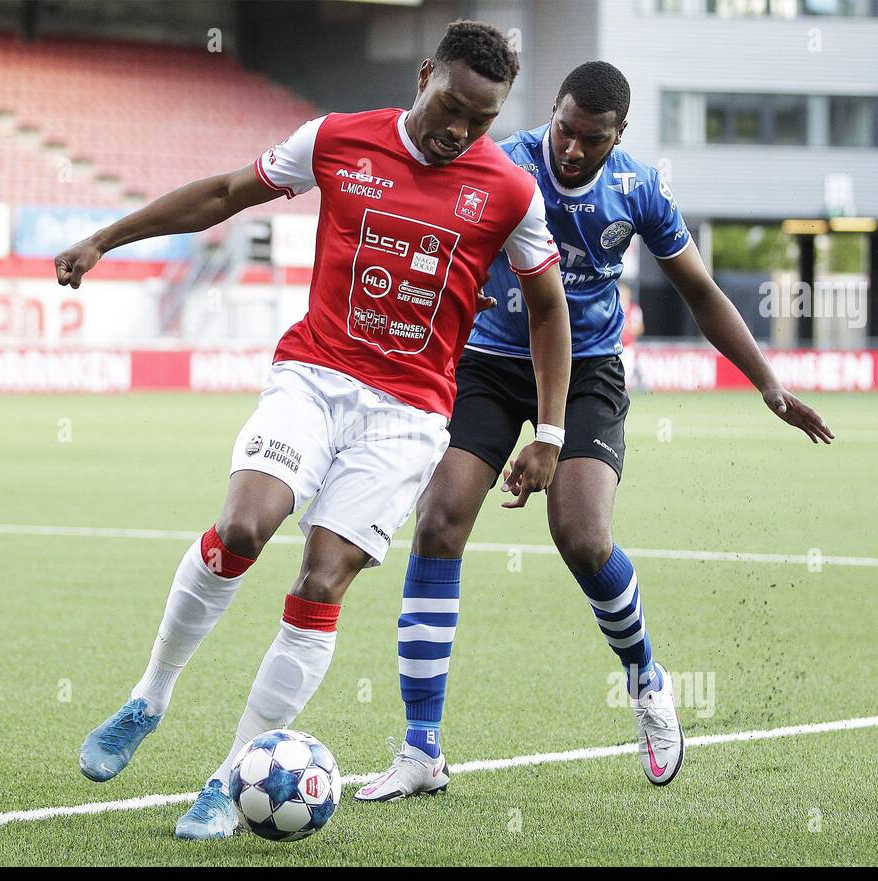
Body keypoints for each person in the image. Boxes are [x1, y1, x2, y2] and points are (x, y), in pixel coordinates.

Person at [54, 20, 572, 839]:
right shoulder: (336, 140)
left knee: (321, 582)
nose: (461, 131)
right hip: (313, 378)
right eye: (452, 106)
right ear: (426, 74)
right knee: (243, 526)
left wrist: (548, 429)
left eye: (482, 120)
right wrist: (106, 238)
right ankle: (149, 696)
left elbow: (548, 305)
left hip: (407, 416)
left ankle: (230, 778)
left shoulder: (506, 190)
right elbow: (227, 193)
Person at [354, 61, 834, 802]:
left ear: (620, 135)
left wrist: (767, 383)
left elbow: (701, 292)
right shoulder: (501, 163)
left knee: (581, 534)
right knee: (440, 521)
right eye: (565, 130)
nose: (572, 150)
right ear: (553, 111)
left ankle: (647, 682)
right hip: (489, 361)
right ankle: (421, 750)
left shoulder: (638, 190)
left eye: (591, 139)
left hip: (589, 371)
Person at [618, 280, 645, 390]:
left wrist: (628, 328)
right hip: (613, 348)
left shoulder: (634, 309)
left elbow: (640, 329)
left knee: (625, 377)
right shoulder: (613, 307)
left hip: (627, 348)